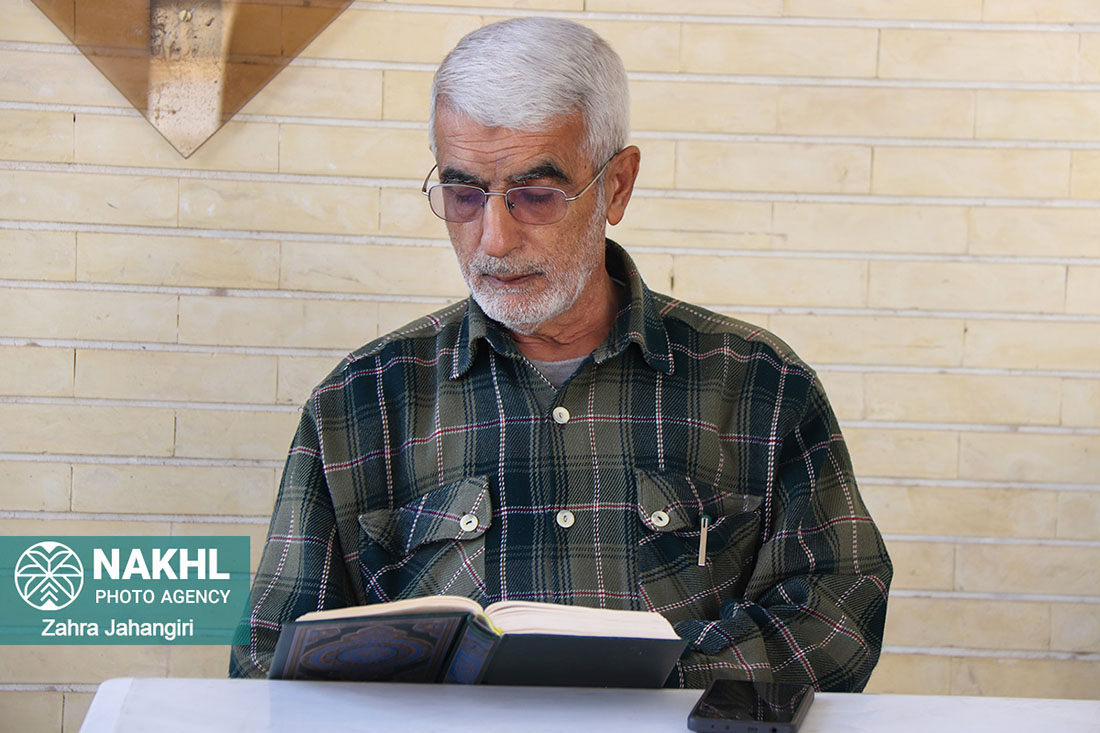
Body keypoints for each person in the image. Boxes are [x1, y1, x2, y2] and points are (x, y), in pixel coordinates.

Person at [229, 16, 891, 691]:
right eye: (463, 194)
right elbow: (266, 662)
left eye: (536, 196)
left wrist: (627, 679)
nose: (494, 239)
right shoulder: (359, 402)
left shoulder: (760, 387)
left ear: (617, 185)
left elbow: (835, 623)